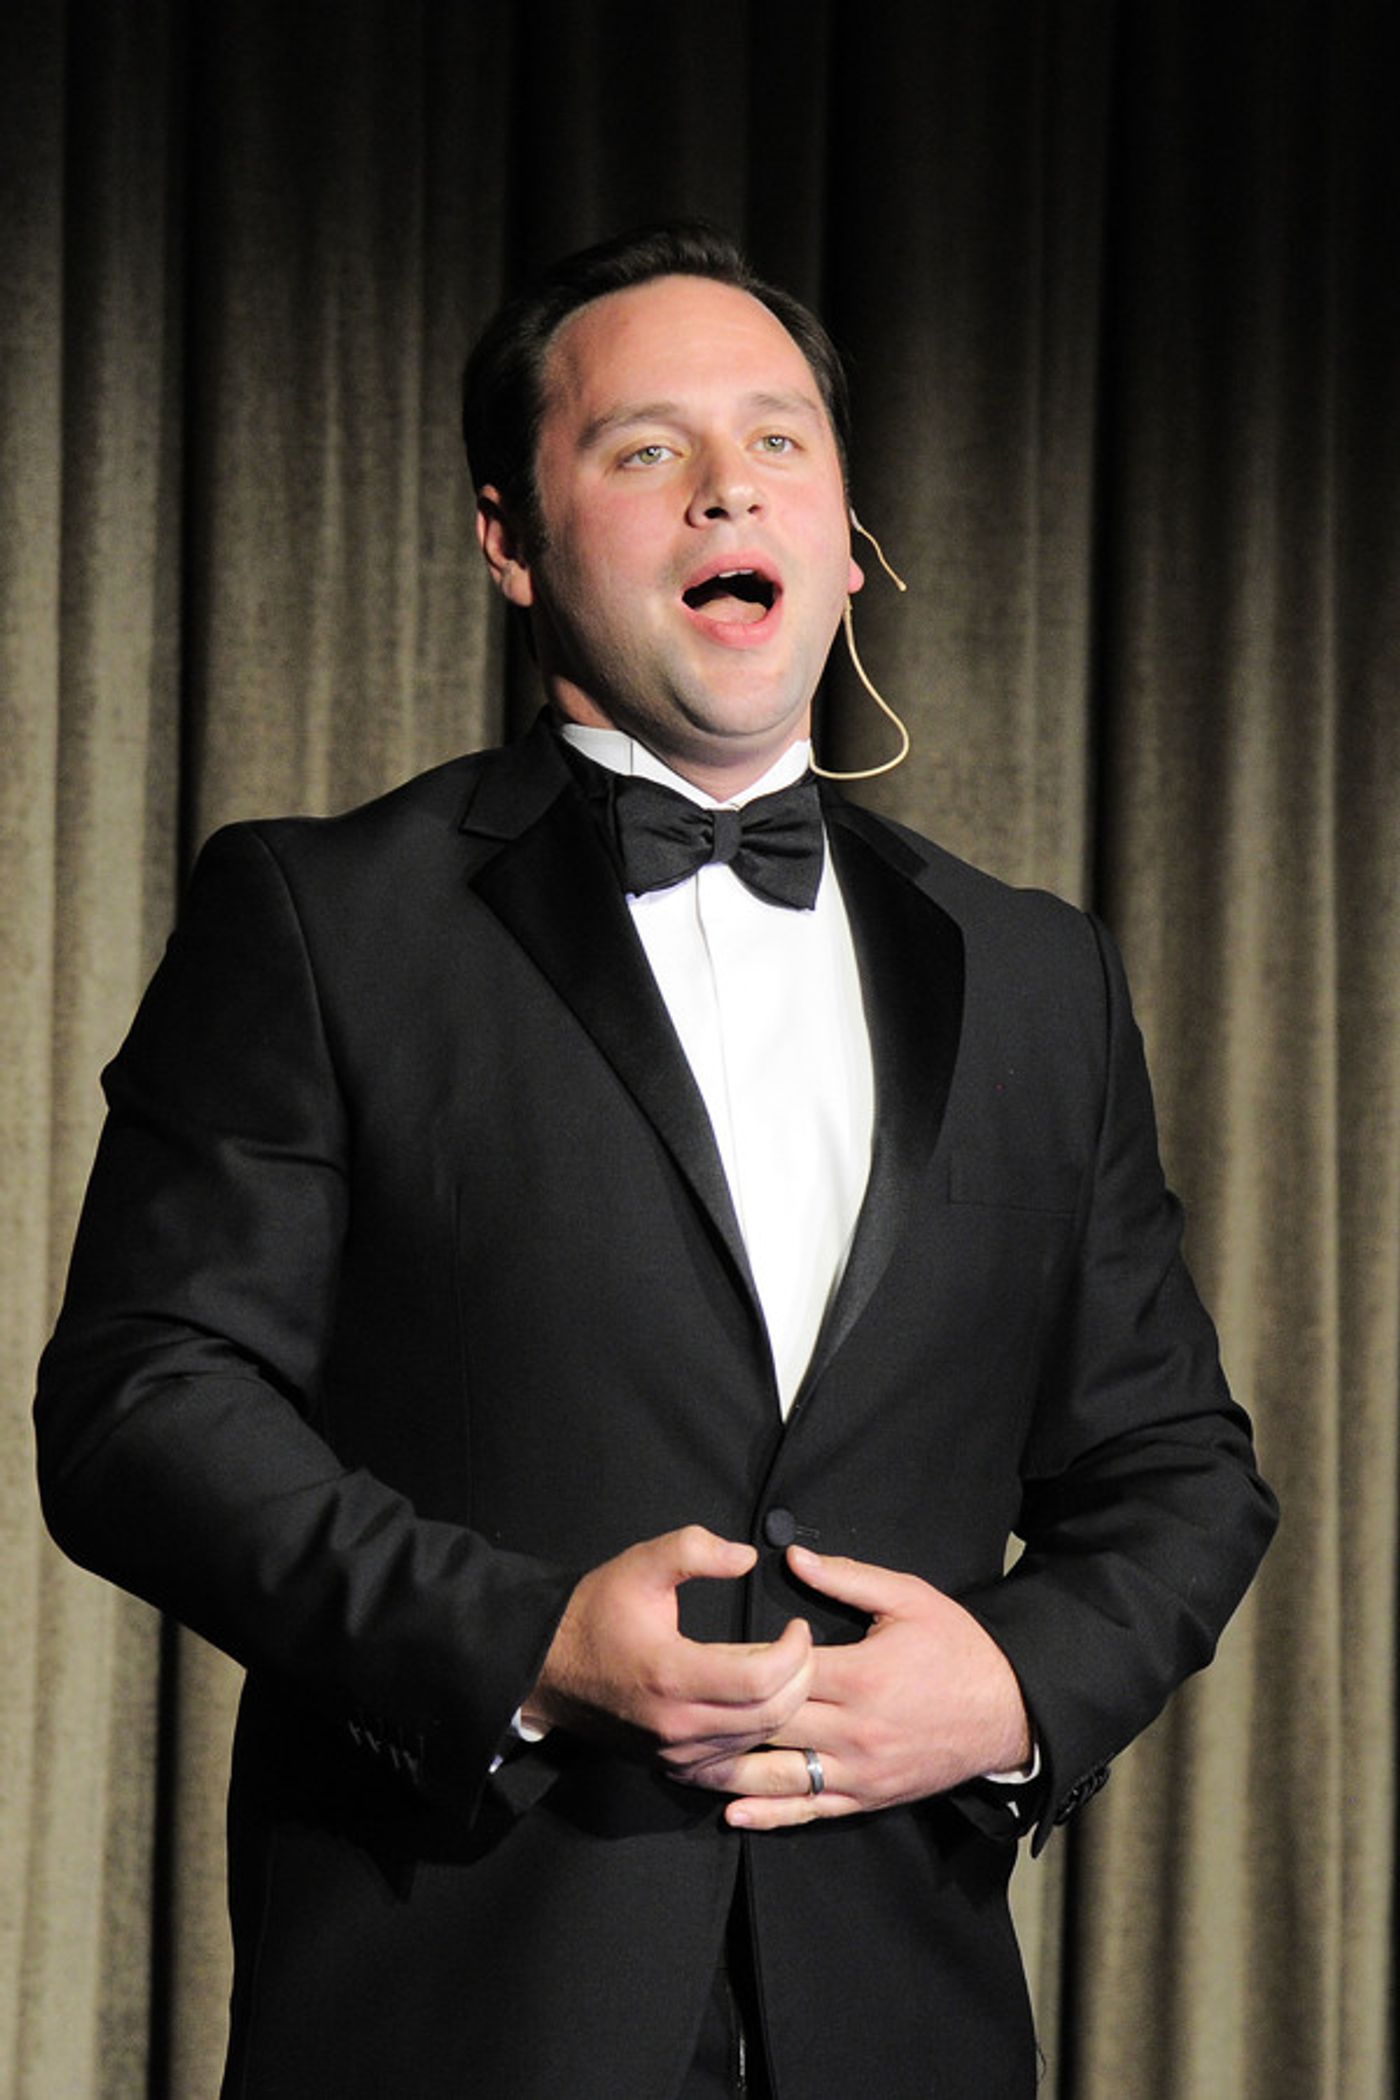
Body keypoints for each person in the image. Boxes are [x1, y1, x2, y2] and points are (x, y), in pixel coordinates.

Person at [35, 223, 1277, 2099]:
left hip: (900, 2022)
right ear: (507, 540)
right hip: (460, 2009)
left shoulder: (1035, 975)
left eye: (778, 441)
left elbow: (1177, 1465)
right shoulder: (319, 916)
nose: (725, 487)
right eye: (644, 449)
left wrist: (1017, 1690)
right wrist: (520, 1641)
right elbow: (139, 1406)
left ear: (847, 537)